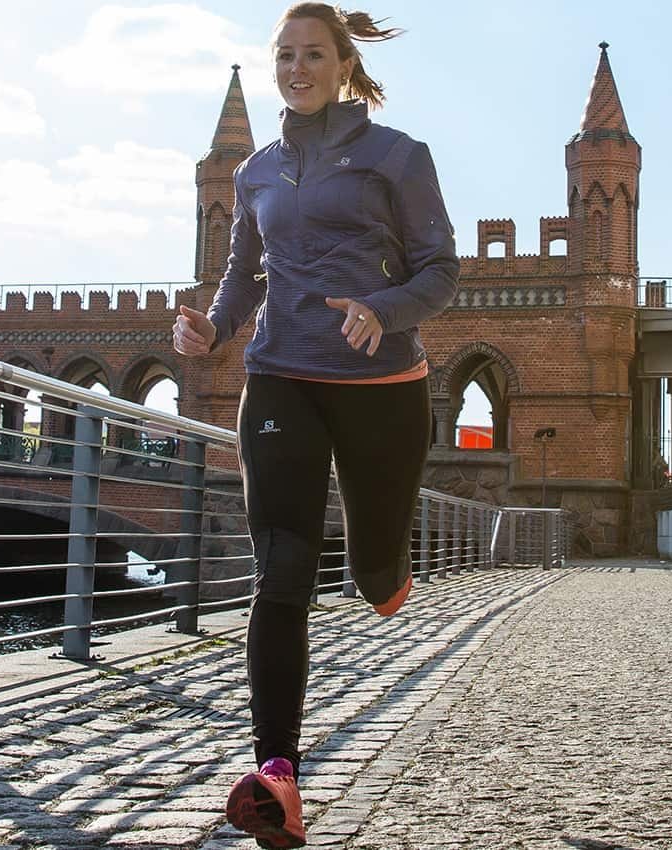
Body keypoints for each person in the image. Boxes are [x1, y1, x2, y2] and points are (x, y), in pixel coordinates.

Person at [171, 4, 457, 846]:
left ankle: (385, 569)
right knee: (282, 570)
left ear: (341, 64)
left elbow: (442, 270)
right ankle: (278, 775)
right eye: (284, 55)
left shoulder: (397, 157)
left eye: (313, 54)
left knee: (371, 573)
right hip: (280, 379)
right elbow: (241, 276)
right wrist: (212, 330)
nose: (297, 68)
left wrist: (383, 306)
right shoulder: (256, 171)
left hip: (381, 383)